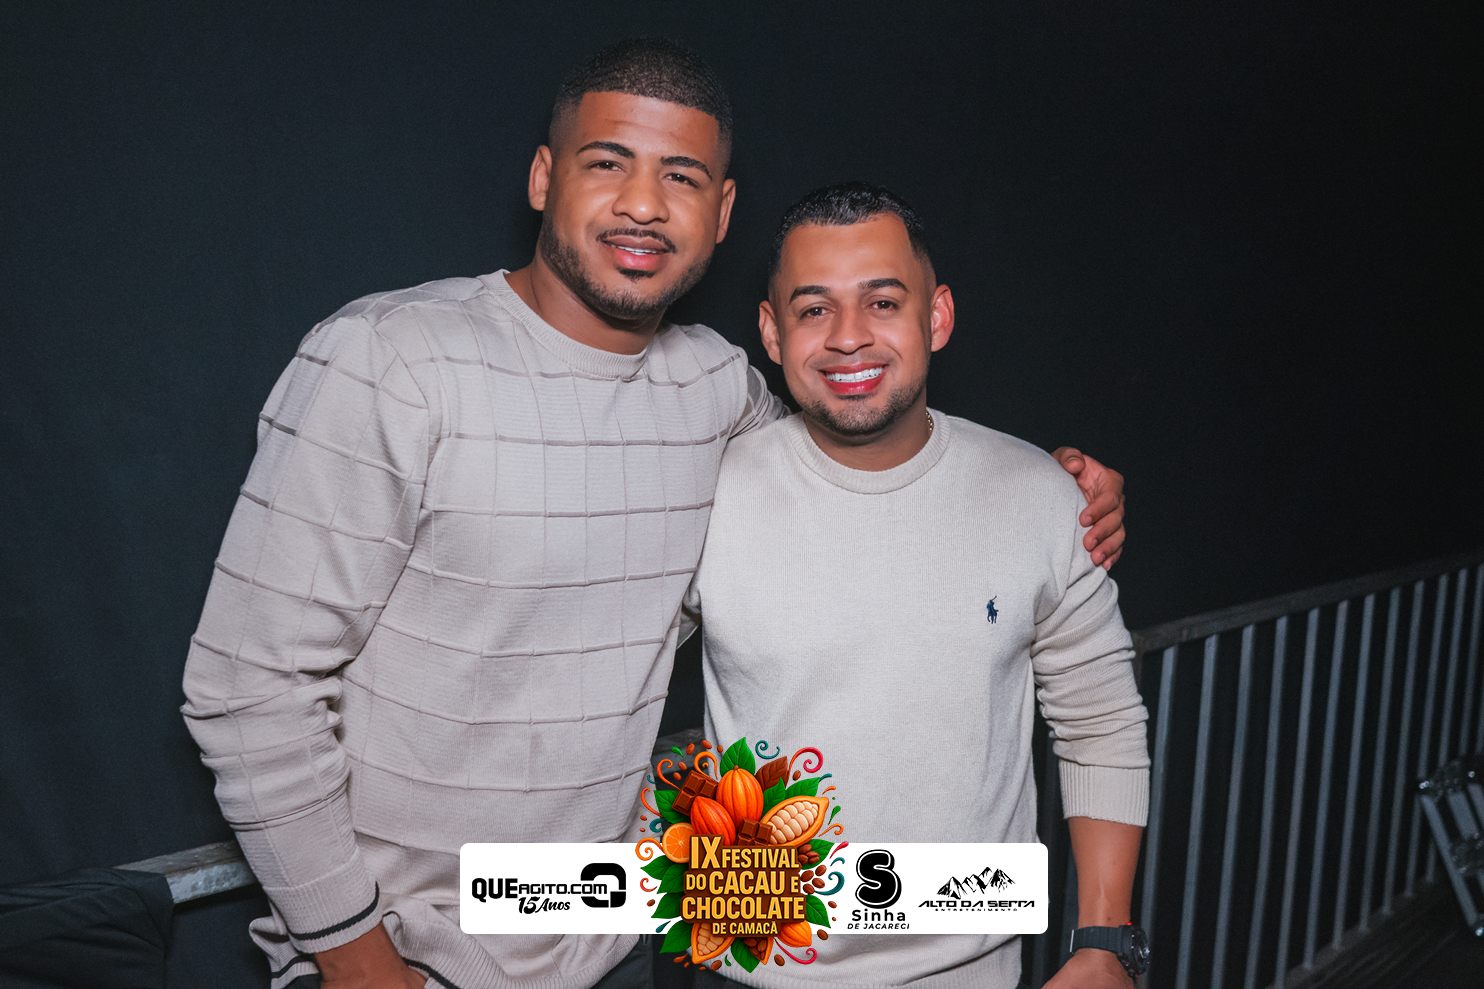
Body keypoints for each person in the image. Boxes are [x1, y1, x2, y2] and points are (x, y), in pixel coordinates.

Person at [180, 43, 1128, 989]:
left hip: (616, 938)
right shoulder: (389, 360)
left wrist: (1046, 492)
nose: (643, 204)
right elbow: (246, 692)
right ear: (543, 177)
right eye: (608, 163)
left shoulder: (714, 388)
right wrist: (356, 960)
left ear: (721, 211)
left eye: (680, 176)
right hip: (408, 956)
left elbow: (865, 457)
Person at [685, 183, 1149, 989]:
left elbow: (1100, 718)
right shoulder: (701, 497)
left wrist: (1106, 940)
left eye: (882, 302)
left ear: (936, 316)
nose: (849, 336)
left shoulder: (1040, 495)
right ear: (772, 332)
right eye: (814, 309)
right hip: (750, 968)